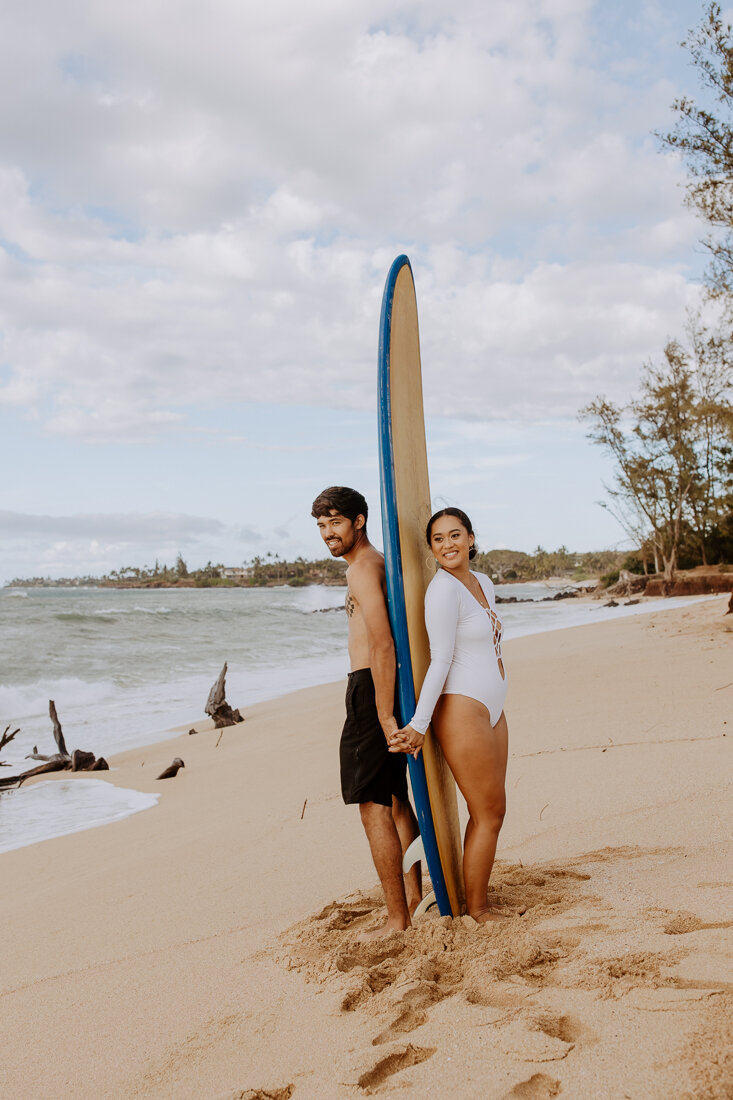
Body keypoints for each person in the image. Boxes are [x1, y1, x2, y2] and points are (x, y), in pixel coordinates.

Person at [389, 507, 509, 924]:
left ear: (472, 539)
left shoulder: (483, 583)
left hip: (491, 707)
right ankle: (477, 910)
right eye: (438, 539)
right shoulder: (441, 591)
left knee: (493, 811)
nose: (448, 545)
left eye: (455, 535)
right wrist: (419, 725)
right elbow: (439, 660)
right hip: (462, 708)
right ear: (431, 549)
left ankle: (477, 900)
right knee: (489, 812)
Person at [311, 486, 422, 934]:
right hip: (382, 687)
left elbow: (381, 641)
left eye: (335, 522)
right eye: (321, 525)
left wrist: (381, 715)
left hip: (370, 689)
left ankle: (397, 919)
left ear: (359, 521)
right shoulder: (373, 565)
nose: (327, 533)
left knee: (372, 806)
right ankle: (413, 899)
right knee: (395, 798)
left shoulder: (362, 569)